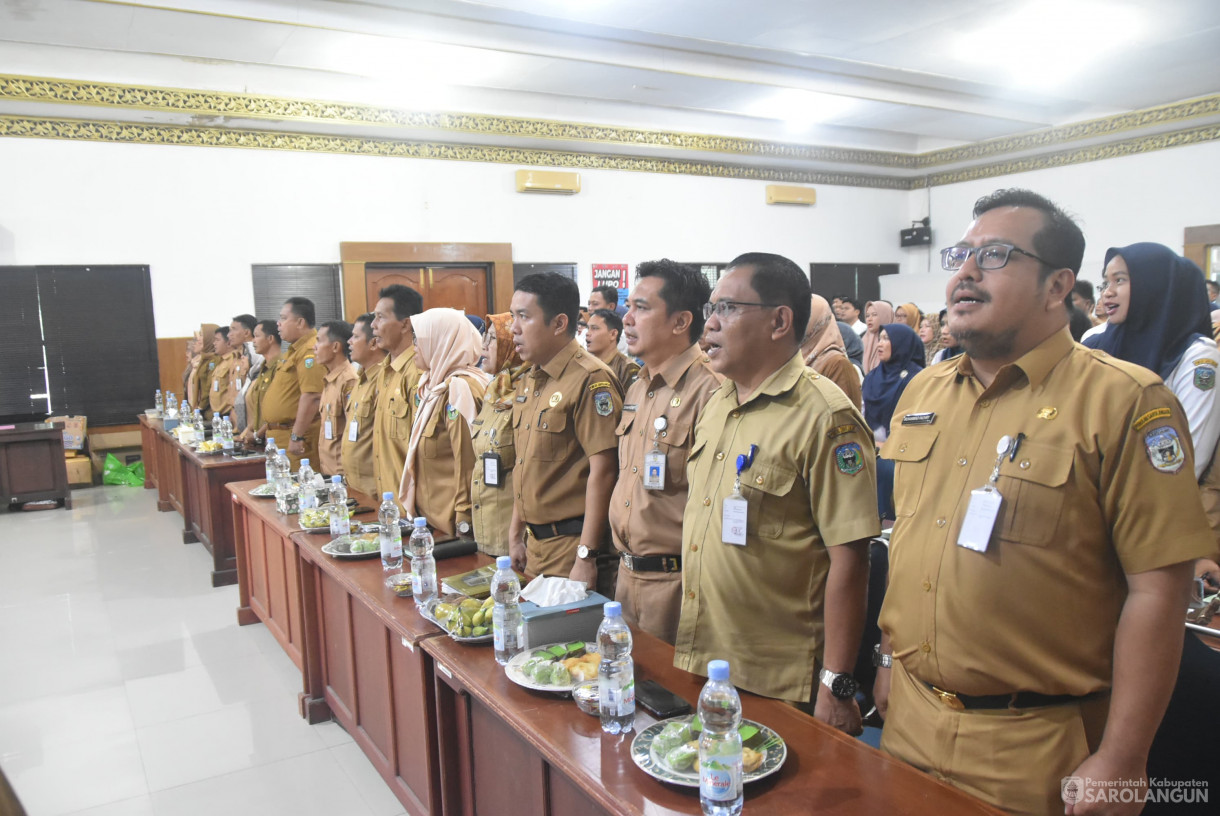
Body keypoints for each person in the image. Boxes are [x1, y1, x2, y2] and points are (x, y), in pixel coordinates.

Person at [875, 188, 1215, 816]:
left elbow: (1158, 591)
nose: (965, 273)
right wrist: (889, 658)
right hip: (910, 720)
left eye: (996, 255)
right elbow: (914, 539)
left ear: (1058, 286)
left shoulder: (1126, 401)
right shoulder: (925, 389)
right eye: (962, 255)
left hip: (1036, 744)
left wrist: (1123, 757)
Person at [677, 252, 879, 732]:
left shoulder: (826, 416)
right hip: (706, 653)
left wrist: (837, 680)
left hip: (780, 676)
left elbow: (850, 559)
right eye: (711, 309)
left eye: (727, 308)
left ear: (779, 321)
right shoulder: (720, 402)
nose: (711, 325)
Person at [609, 259, 719, 644]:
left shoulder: (712, 391)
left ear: (680, 321)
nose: (627, 319)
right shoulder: (639, 385)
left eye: (642, 308)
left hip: (677, 584)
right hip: (626, 577)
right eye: (629, 306)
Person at [508, 272, 622, 591]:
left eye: (524, 317)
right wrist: (516, 533)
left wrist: (585, 557)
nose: (513, 328)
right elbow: (526, 464)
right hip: (535, 546)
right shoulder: (531, 379)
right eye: (513, 316)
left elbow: (604, 471)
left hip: (570, 548)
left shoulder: (590, 379)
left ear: (559, 324)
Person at [397, 308, 489, 537]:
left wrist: (464, 520)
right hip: (431, 520)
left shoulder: (459, 389)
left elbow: (467, 462)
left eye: (419, 340)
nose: (414, 347)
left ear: (441, 342)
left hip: (450, 526)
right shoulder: (434, 385)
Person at [470, 312, 526, 556]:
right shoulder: (494, 389)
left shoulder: (530, 390)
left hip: (515, 537)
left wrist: (516, 536)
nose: (484, 346)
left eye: (492, 339)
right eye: (485, 337)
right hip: (485, 523)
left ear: (511, 343)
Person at [862, 323, 924, 519]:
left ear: (901, 344)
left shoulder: (918, 378)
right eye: (879, 338)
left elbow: (918, 422)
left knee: (885, 468)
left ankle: (885, 527)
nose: (880, 343)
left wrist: (889, 444)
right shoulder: (872, 376)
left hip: (903, 450)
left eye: (887, 339)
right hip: (872, 445)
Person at [371, 284, 424, 505]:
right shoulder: (384, 370)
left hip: (412, 508)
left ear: (405, 324)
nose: (373, 326)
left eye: (380, 318)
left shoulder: (418, 372)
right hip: (388, 502)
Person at [262, 297, 325, 468]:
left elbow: (312, 396)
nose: (278, 324)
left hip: (297, 438)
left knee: (299, 489)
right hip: (280, 437)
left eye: (283, 318)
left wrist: (297, 436)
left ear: (300, 322)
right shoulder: (293, 351)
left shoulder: (310, 351)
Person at [340, 314, 385, 499]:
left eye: (356, 337)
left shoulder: (383, 380)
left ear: (373, 343)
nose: (349, 342)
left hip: (375, 489)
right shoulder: (361, 379)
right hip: (354, 485)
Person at [801, 294, 862, 409]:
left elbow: (846, 417)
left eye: (803, 317)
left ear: (818, 321)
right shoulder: (799, 355)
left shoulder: (837, 364)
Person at [314, 320, 357, 477]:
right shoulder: (330, 380)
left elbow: (354, 432)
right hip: (329, 471)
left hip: (343, 474)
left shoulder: (349, 380)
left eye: (319, 341)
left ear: (335, 347)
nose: (314, 347)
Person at [237, 320, 281, 445]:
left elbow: (276, 411)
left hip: (272, 439)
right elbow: (257, 410)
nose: (253, 341)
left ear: (270, 339)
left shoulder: (280, 367)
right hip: (260, 439)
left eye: (257, 336)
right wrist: (247, 433)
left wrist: (257, 435)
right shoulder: (263, 368)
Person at [585, 308, 640, 389]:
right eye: (588, 328)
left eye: (594, 328)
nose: (587, 333)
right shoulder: (586, 364)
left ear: (613, 334)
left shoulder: (627, 368)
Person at [229, 314, 262, 432]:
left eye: (234, 329)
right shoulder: (242, 353)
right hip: (240, 419)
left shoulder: (255, 353)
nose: (229, 335)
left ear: (247, 332)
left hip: (253, 424)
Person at [191, 324, 220, 418]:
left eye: (202, 335)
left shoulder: (214, 360)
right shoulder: (204, 359)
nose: (199, 339)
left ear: (210, 338)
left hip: (209, 411)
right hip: (203, 410)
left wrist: (200, 407)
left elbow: (209, 386)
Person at [208, 326, 238, 421]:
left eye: (217, 340)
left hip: (227, 414)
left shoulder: (233, 361)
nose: (214, 343)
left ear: (228, 343)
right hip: (217, 413)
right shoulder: (221, 361)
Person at [861, 301, 893, 374]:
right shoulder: (863, 340)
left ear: (885, 316)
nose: (869, 319)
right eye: (867, 316)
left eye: (874, 315)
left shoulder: (893, 340)